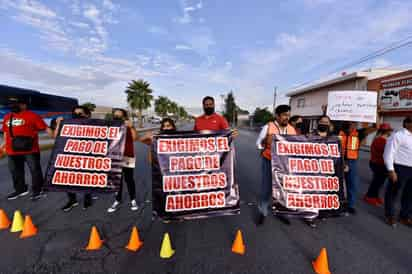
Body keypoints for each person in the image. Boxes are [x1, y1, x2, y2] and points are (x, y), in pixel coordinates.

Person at [1, 97, 52, 201]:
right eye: (11, 104)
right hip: (12, 150)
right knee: (15, 171)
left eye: (16, 104)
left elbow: (45, 128)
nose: (13, 106)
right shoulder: (7, 116)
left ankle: (38, 190)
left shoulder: (33, 116)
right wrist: (4, 145)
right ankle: (20, 189)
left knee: (35, 171)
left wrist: (58, 136)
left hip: (30, 150)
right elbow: (6, 132)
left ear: (24, 105)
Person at [255, 105, 296, 225]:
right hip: (269, 161)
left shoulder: (291, 129)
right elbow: (258, 144)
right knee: (266, 187)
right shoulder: (268, 127)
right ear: (277, 116)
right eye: (284, 115)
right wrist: (264, 144)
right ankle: (263, 211)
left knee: (282, 188)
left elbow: (295, 146)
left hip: (284, 164)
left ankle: (280, 211)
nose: (286, 118)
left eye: (288, 115)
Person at [53, 106, 94, 212]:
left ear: (87, 115)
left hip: (86, 155)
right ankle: (72, 200)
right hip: (70, 155)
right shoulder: (68, 125)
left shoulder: (93, 125)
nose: (77, 116)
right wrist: (59, 124)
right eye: (75, 114)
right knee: (68, 179)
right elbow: (56, 136)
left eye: (80, 114)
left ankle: (87, 198)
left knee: (85, 178)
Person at [338, 121, 376, 215]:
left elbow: (375, 127)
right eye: (350, 122)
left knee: (352, 184)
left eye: (353, 123)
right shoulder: (337, 131)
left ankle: (350, 205)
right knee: (336, 183)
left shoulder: (359, 133)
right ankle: (336, 203)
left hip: (352, 162)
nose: (352, 124)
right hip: (338, 161)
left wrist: (376, 113)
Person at [107, 108, 139, 213]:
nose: (117, 117)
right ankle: (117, 200)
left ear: (124, 116)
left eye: (119, 115)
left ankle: (133, 199)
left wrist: (132, 127)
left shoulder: (128, 126)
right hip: (114, 157)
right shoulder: (110, 126)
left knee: (129, 179)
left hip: (127, 157)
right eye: (115, 115)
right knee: (117, 180)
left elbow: (135, 138)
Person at [383, 116, 412, 227]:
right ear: (407, 123)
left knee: (409, 194)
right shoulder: (398, 135)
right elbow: (388, 153)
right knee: (393, 192)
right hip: (400, 167)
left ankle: (405, 216)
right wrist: (391, 170)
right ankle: (390, 215)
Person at [364, 123, 393, 206]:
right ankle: (369, 196)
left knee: (379, 182)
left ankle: (375, 196)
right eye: (389, 131)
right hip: (379, 164)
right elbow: (387, 152)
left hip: (377, 163)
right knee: (377, 182)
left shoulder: (380, 139)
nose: (390, 132)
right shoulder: (381, 140)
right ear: (386, 131)